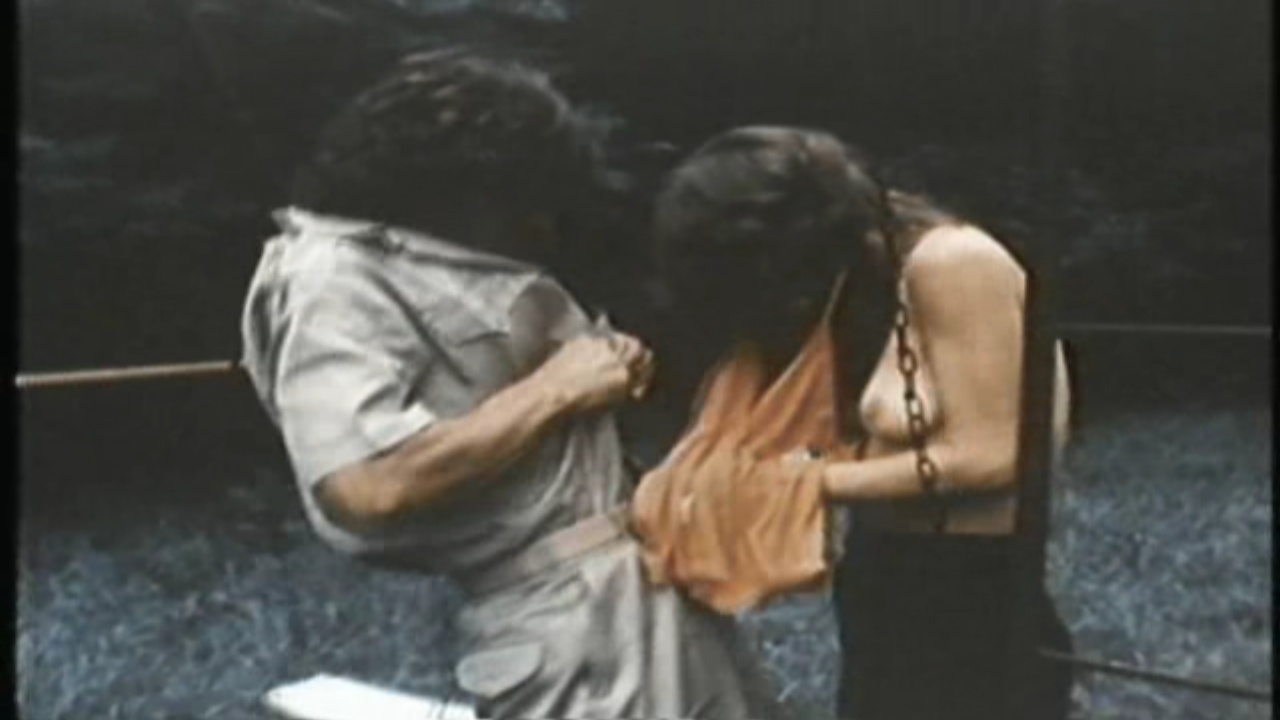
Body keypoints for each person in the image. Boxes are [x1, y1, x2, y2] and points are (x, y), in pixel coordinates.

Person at [239, 50, 783, 720]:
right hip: (574, 623)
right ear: (461, 183)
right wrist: (557, 386)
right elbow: (366, 487)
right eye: (521, 203)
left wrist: (596, 369)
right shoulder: (328, 278)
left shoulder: (406, 258)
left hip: (637, 585)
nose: (534, 228)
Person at [650, 125, 1075, 720]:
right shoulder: (862, 286)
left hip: (975, 588)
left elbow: (995, 455)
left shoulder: (953, 262)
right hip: (885, 572)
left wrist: (793, 483)